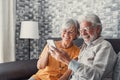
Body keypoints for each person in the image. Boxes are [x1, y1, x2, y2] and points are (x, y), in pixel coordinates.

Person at [49, 13, 117, 80]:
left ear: (98, 29)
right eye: (81, 30)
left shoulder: (104, 47)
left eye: (86, 29)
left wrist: (67, 60)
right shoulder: (84, 46)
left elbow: (96, 75)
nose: (83, 34)